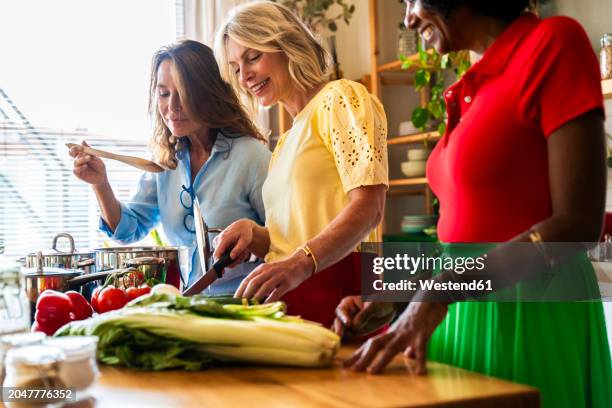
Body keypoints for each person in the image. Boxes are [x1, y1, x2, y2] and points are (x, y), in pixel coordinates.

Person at [334, 1, 612, 407]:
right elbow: (466, 235)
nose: (408, 17)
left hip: (529, 316)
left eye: (412, 0)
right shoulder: (474, 80)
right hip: (461, 313)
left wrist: (439, 294)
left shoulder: (553, 43)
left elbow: (577, 225)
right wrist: (399, 292)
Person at [212, 1, 389, 327]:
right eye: (236, 68)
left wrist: (302, 261)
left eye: (253, 57)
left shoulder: (341, 98)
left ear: (287, 44)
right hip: (291, 298)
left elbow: (369, 207)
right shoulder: (285, 142)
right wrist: (254, 234)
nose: (245, 75)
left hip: (338, 294)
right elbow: (290, 239)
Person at [69, 40, 271, 293]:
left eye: (184, 94)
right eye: (164, 93)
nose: (172, 107)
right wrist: (100, 184)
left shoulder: (251, 156)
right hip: (187, 307)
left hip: (246, 305)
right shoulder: (166, 162)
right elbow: (128, 229)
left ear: (209, 94)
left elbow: (286, 238)